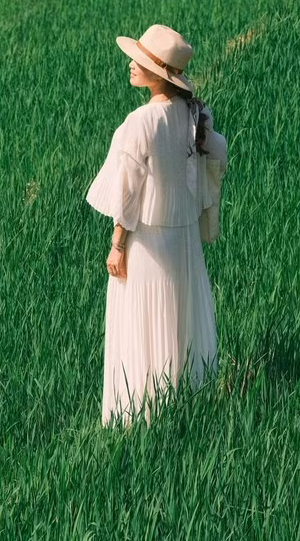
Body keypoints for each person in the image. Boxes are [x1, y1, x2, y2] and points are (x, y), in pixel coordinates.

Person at [85, 25, 227, 427]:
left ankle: (142, 414)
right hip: (182, 238)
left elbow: (127, 193)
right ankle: (184, 403)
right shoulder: (195, 115)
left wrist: (117, 244)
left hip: (148, 243)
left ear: (158, 73)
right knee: (178, 319)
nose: (131, 65)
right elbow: (215, 156)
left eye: (140, 62)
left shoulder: (139, 123)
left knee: (141, 322)